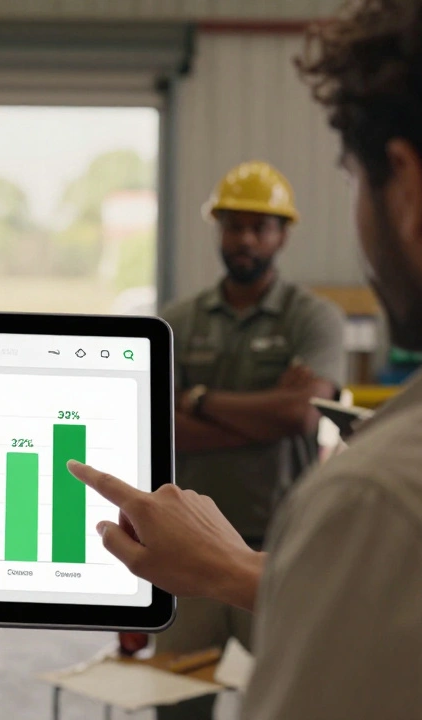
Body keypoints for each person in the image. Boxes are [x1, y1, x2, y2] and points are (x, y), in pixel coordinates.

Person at [72, 0, 422, 717]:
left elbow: (297, 416)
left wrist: (200, 403)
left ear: (408, 184)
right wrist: (239, 564)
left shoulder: (392, 505)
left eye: (353, 180)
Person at [144, 161, 345, 719]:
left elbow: (303, 416)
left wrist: (199, 399)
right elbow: (162, 426)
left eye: (260, 226)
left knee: (300, 702)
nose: (246, 239)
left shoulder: (315, 318)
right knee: (179, 706)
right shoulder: (179, 320)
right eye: (234, 225)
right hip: (185, 548)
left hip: (279, 549)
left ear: (283, 234)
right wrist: (266, 412)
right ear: (219, 230)